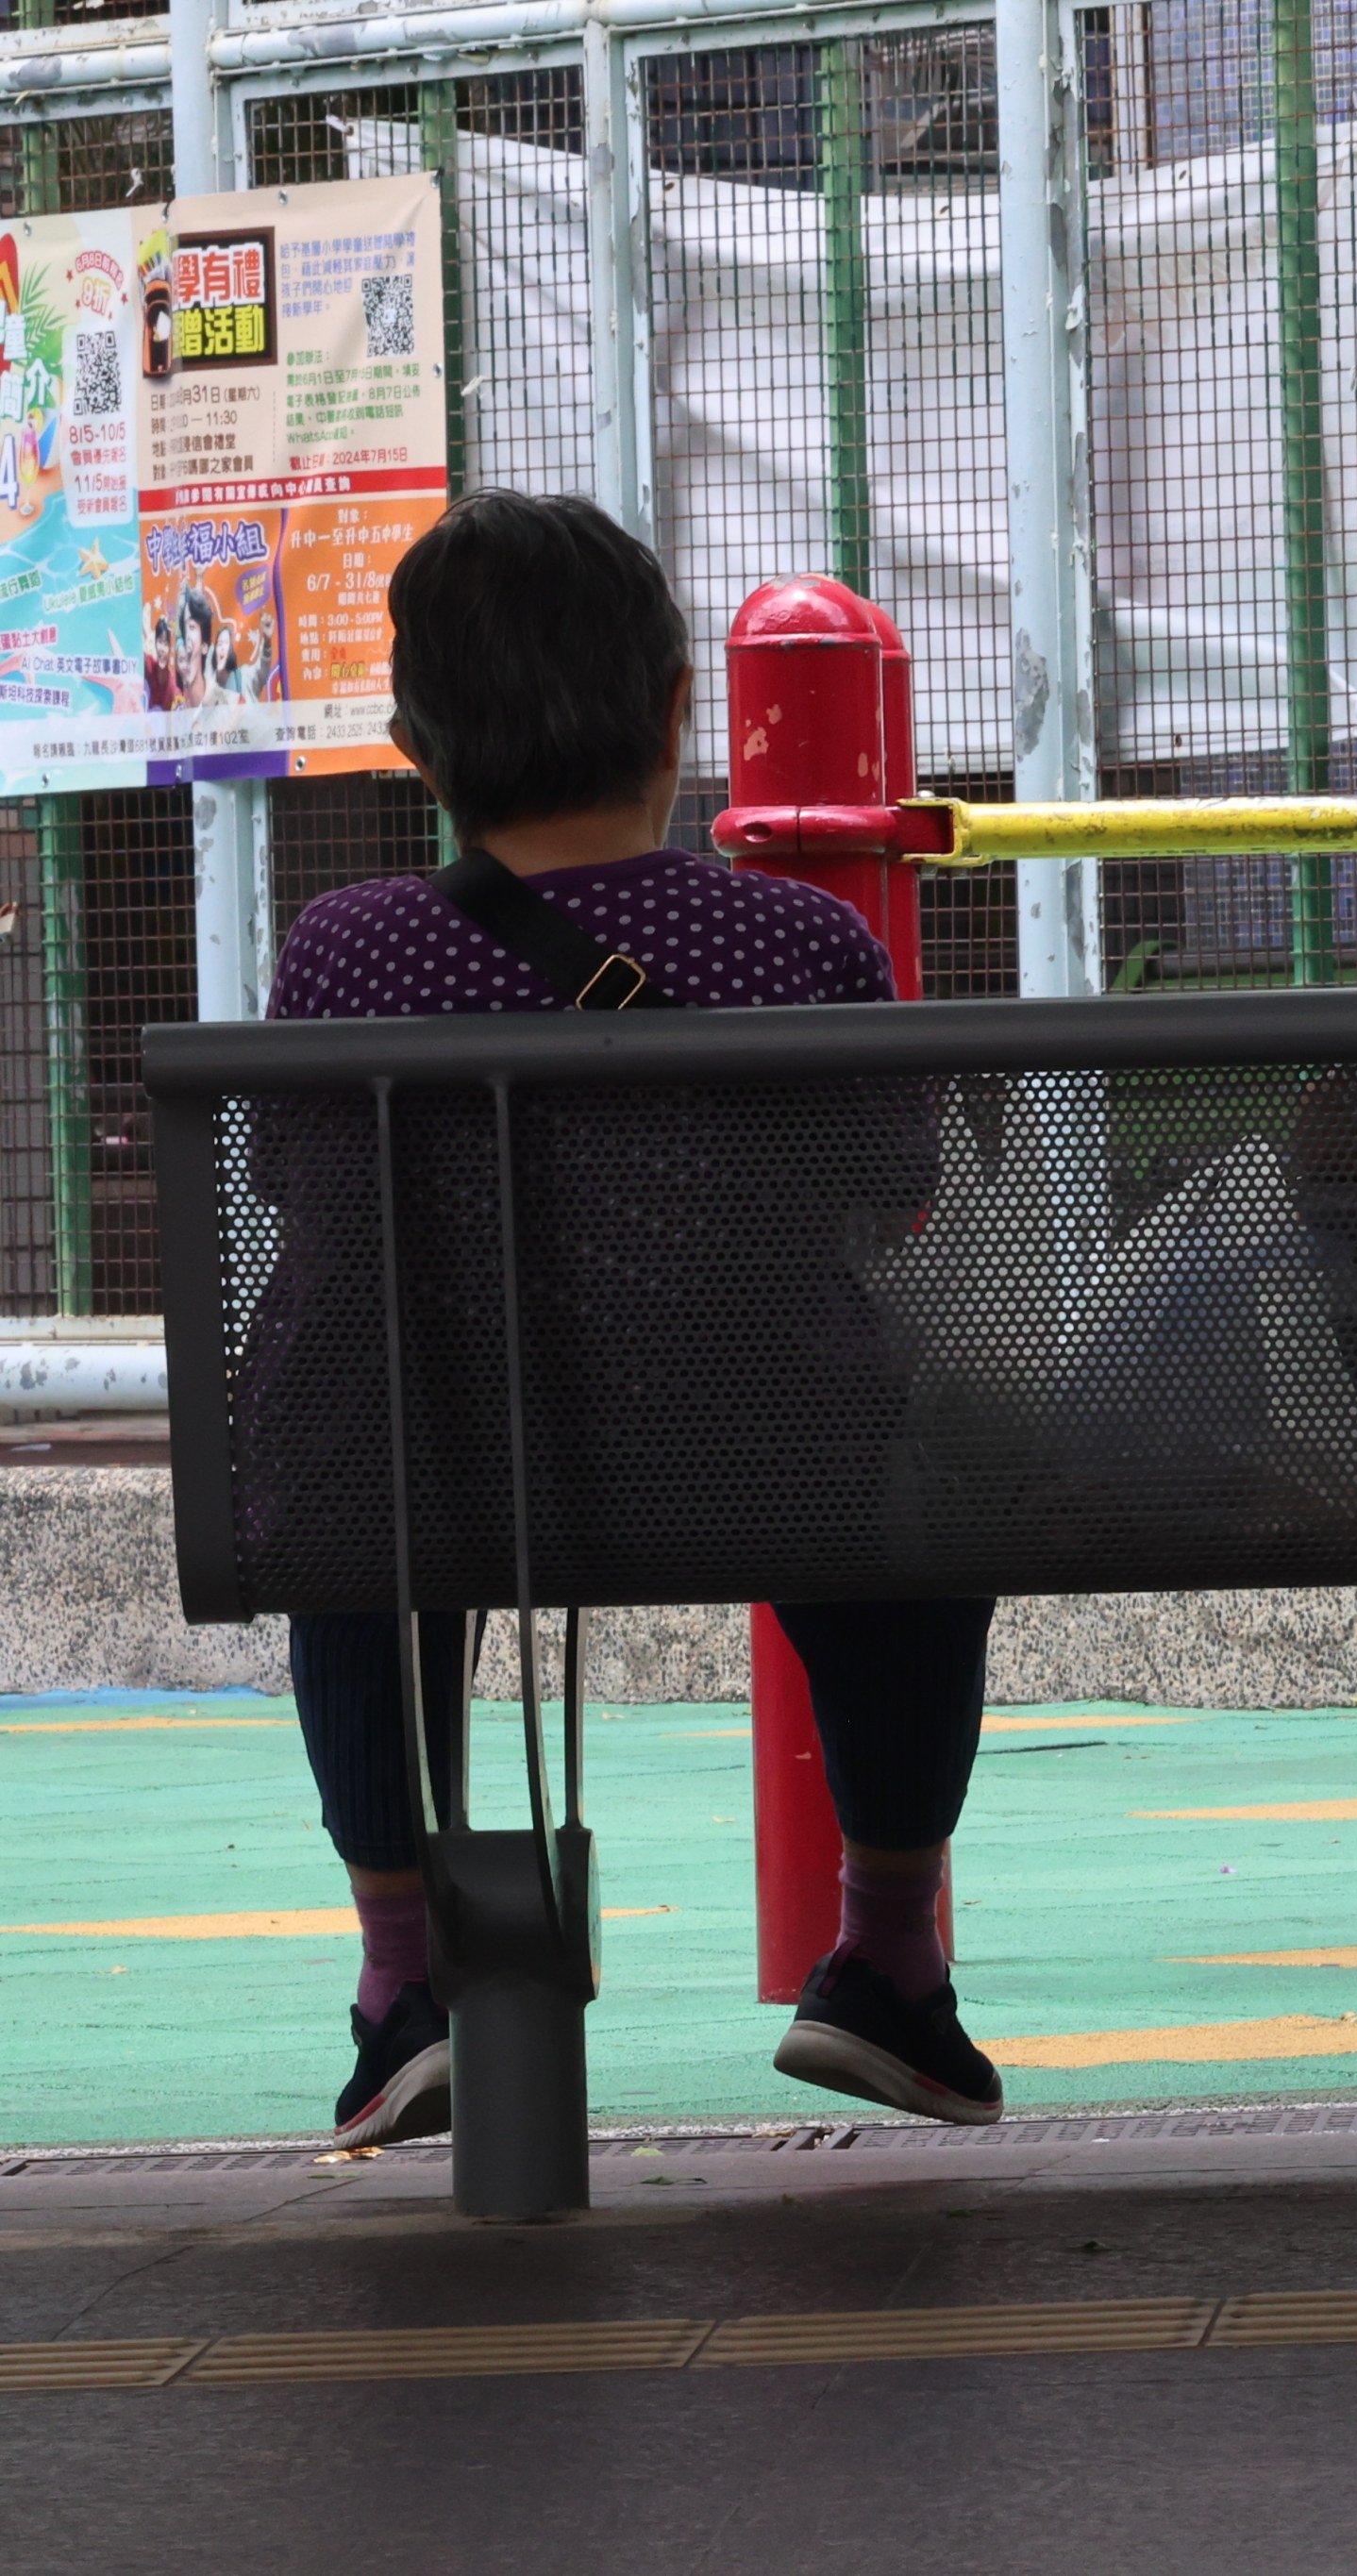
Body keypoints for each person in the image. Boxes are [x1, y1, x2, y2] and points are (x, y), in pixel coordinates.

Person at [265, 491, 1005, 2149]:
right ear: (682, 714)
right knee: (917, 1508)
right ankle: (886, 1953)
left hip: (440, 1475)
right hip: (763, 1460)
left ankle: (403, 1987)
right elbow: (896, 1191)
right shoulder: (795, 934)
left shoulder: (344, 949)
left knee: (350, 1509)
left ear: (414, 746)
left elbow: (299, 1193)